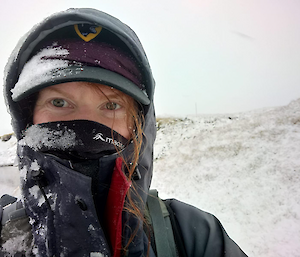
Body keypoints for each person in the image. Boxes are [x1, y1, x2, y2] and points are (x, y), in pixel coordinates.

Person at [0, 8, 247, 257]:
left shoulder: (194, 237)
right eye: (59, 103)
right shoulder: (4, 234)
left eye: (111, 105)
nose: (85, 122)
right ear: (27, 118)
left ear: (138, 125)